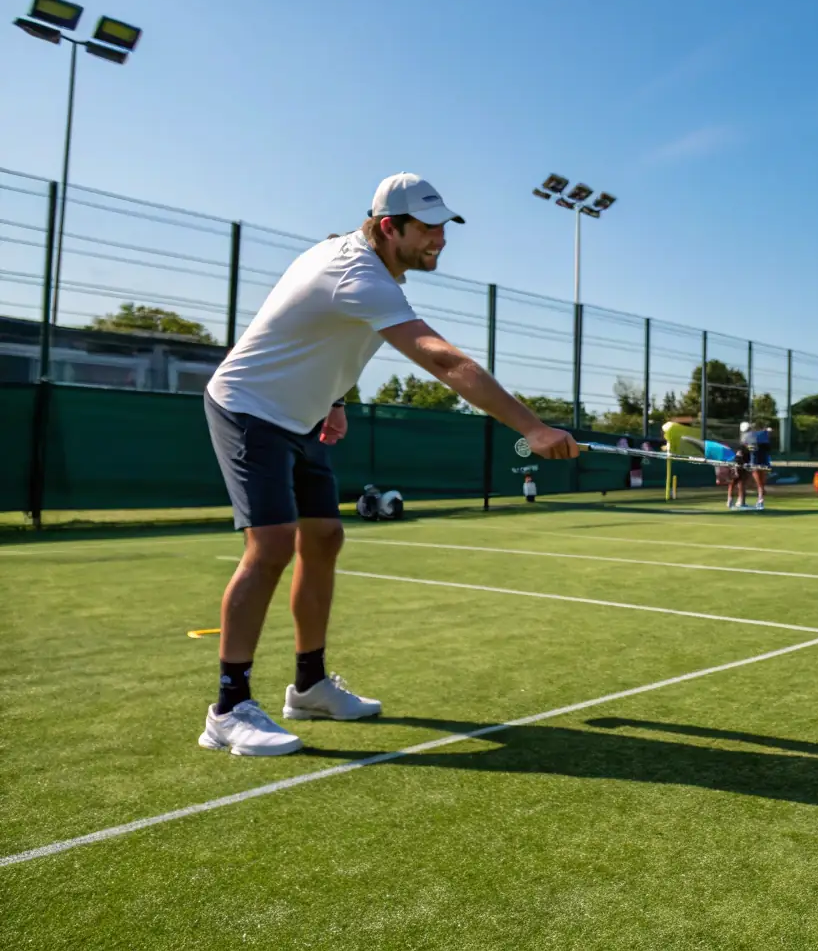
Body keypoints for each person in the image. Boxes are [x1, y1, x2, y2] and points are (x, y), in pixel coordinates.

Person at [200, 173, 578, 756]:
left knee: (323, 539)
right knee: (272, 545)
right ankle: (228, 708)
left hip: (301, 418)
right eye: (426, 230)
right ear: (387, 227)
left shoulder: (360, 263)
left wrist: (335, 400)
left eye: (443, 229)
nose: (439, 242)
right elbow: (443, 360)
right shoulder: (359, 275)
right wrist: (533, 427)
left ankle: (310, 684)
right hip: (249, 407)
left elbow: (315, 334)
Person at [740, 420, 771, 510]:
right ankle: (760, 497)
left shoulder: (757, 436)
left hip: (759, 460)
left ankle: (760, 497)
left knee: (760, 478)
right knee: (758, 479)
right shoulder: (748, 437)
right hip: (757, 460)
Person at [727, 443, 752, 510]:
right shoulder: (741, 449)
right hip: (737, 467)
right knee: (734, 483)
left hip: (743, 468)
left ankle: (741, 501)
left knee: (741, 484)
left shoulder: (749, 451)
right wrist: (736, 471)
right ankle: (731, 500)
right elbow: (737, 460)